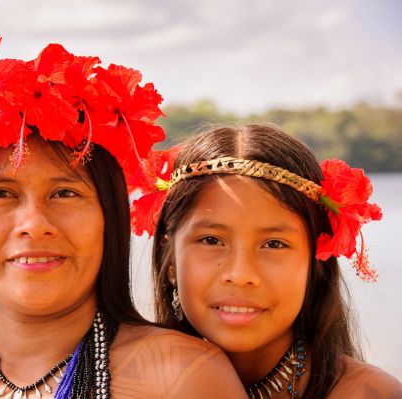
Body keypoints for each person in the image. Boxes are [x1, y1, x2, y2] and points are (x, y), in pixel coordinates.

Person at [0, 37, 246, 398]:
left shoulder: (185, 379)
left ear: (109, 218)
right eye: (1, 194)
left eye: (65, 193)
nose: (34, 223)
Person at [134, 124, 402, 398]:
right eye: (211, 240)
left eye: (274, 244)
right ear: (170, 261)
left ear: (314, 264)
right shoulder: (123, 386)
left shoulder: (369, 393)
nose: (240, 274)